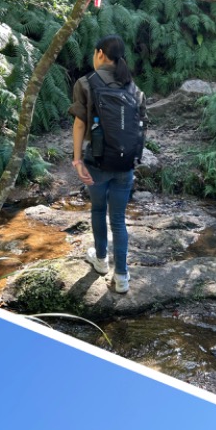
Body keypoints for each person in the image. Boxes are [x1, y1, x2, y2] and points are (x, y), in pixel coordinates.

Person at [69, 35, 147, 295]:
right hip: (125, 164)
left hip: (98, 162)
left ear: (100, 54)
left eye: (95, 53)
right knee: (118, 220)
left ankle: (101, 261)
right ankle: (122, 276)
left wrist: (77, 159)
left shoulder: (86, 83)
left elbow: (80, 124)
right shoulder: (134, 89)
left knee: (98, 210)